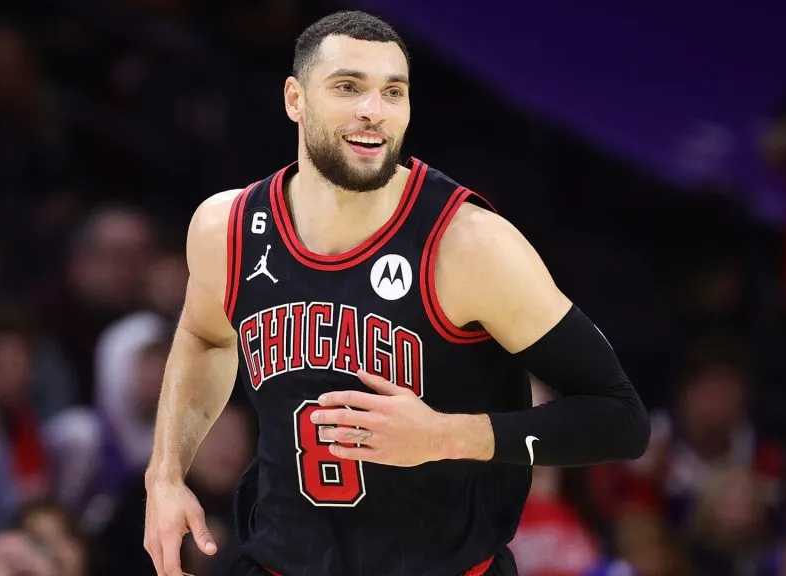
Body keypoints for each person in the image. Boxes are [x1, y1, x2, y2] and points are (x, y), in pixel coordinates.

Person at [143, 10, 650, 576]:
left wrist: (444, 435)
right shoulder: (227, 227)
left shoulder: (468, 245)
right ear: (295, 99)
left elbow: (620, 418)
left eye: (393, 92)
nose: (373, 111)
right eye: (347, 87)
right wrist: (164, 474)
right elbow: (206, 339)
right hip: (278, 561)